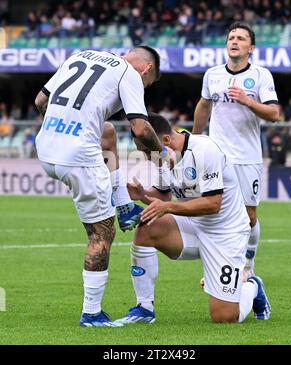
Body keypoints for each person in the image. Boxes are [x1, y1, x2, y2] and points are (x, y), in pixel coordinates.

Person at [34, 46, 166, 327]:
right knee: (102, 233)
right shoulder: (129, 73)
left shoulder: (79, 55)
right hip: (78, 157)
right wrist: (163, 156)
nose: (144, 86)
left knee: (106, 132)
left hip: (46, 147)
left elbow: (39, 101)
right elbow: (141, 129)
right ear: (147, 70)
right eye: (148, 84)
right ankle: (91, 313)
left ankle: (124, 205)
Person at [115, 113, 271, 325]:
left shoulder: (204, 150)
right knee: (146, 227)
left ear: (166, 141)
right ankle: (144, 308)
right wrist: (142, 195)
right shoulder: (164, 157)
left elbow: (212, 204)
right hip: (193, 227)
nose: (144, 156)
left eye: (145, 151)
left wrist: (168, 207)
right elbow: (163, 195)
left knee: (224, 318)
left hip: (226, 234)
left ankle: (252, 286)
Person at [193, 22, 279, 276]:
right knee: (214, 211)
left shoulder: (261, 75)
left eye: (241, 38)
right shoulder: (213, 74)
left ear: (251, 48)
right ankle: (224, 266)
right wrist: (195, 141)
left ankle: (248, 265)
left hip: (246, 156)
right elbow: (204, 106)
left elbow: (274, 113)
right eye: (231, 37)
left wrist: (247, 100)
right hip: (217, 156)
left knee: (248, 215)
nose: (235, 41)